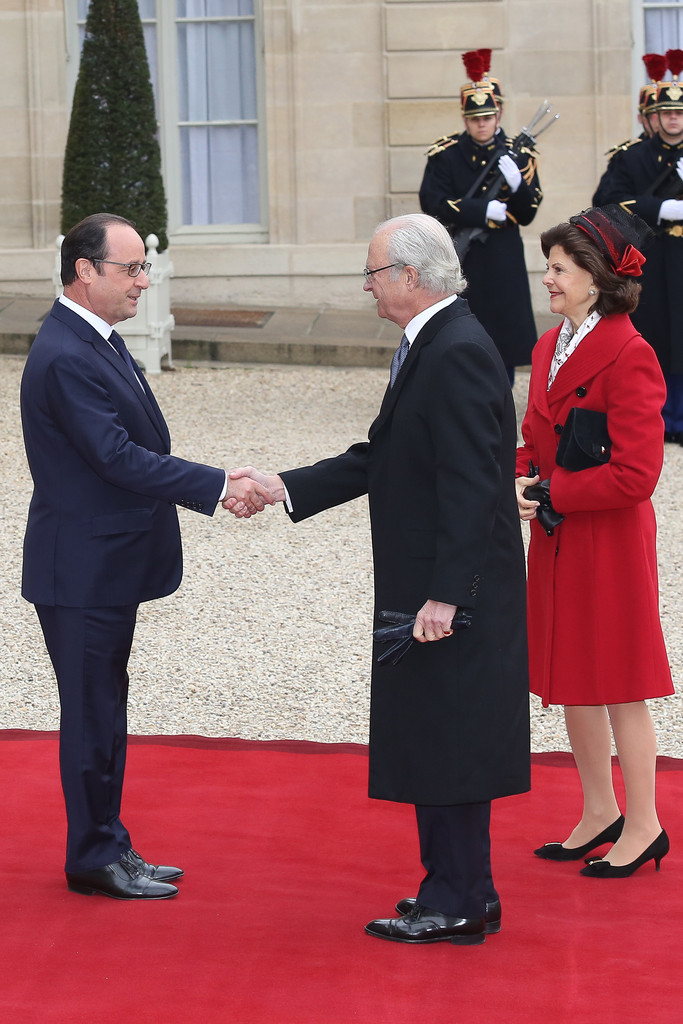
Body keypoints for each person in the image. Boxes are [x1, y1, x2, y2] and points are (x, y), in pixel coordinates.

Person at [227, 213, 530, 945]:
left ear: (411, 276)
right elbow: (382, 456)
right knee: (437, 733)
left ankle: (454, 899)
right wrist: (282, 485)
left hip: (451, 591)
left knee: (448, 739)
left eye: (372, 273)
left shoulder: (453, 349)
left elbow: (469, 485)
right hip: (434, 583)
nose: (365, 286)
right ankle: (465, 889)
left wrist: (447, 594)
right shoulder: (432, 341)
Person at [20, 213, 272, 901]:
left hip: (103, 566)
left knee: (105, 708)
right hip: (81, 571)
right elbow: (117, 458)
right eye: (130, 268)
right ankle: (94, 857)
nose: (143, 279)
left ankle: (111, 846)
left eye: (141, 267)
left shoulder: (91, 339)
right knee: (92, 714)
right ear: (85, 271)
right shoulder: (67, 352)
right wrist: (220, 485)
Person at [515, 206, 674, 878]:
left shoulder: (632, 352)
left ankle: (644, 824)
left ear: (594, 279)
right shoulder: (548, 346)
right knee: (571, 678)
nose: (546, 278)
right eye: (548, 266)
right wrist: (524, 477)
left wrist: (553, 493)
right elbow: (531, 433)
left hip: (606, 541)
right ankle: (598, 811)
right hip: (556, 538)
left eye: (558, 268)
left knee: (619, 684)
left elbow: (638, 473)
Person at [418, 50, 542, 383]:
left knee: (503, 334)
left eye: (488, 116)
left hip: (503, 256)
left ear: (499, 113)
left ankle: (501, 395)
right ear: (465, 117)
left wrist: (516, 184)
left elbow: (528, 213)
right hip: (462, 255)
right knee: (459, 330)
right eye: (475, 118)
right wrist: (480, 210)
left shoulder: (520, 152)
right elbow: (431, 202)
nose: (482, 123)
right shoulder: (446, 154)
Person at [598, 52, 683, 441]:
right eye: (667, 113)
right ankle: (656, 415)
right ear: (655, 116)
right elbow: (607, 203)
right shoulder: (632, 157)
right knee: (653, 335)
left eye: (679, 113)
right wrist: (660, 207)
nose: (673, 119)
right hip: (653, 259)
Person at [592, 53, 663, 207]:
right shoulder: (628, 155)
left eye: (673, 114)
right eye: (656, 115)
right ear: (642, 119)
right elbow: (603, 201)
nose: (664, 120)